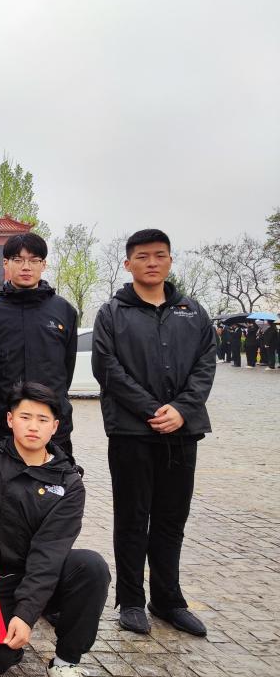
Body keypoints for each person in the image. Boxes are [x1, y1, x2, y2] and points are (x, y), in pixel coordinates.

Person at [92, 228, 215, 637]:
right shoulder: (112, 313)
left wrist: (182, 409)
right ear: (128, 264)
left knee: (171, 519)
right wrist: (151, 410)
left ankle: (168, 599)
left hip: (182, 432)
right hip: (131, 433)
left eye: (159, 255)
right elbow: (107, 368)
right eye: (142, 256)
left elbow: (205, 365)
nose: (151, 263)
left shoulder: (192, 312)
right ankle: (131, 600)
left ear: (170, 261)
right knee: (132, 517)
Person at [0, 382, 109, 677]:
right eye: (25, 417)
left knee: (91, 567)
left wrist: (26, 612)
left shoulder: (68, 483)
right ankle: (2, 626)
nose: (33, 426)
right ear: (9, 419)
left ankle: (65, 666)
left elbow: (49, 554)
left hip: (36, 574)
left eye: (43, 419)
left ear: (55, 426)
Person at [0, 233, 79, 456]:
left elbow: (66, 367)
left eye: (34, 260)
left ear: (44, 264)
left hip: (52, 424)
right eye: (18, 260)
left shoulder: (64, 310)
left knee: (55, 477)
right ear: (5, 263)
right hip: (2, 424)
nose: (26, 267)